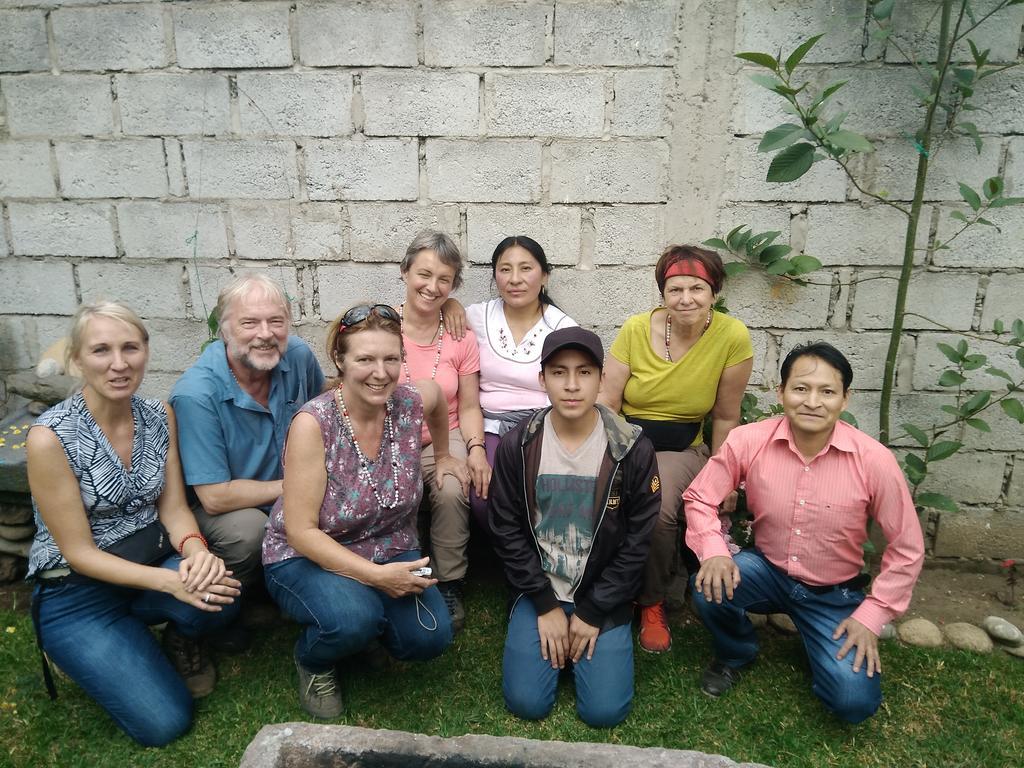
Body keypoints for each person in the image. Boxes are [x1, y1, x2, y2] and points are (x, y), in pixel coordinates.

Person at [26, 302, 241, 747]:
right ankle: (86, 645)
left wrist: (198, 553)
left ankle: (155, 635)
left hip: (146, 560)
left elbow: (175, 509)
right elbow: (79, 553)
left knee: (223, 594)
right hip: (76, 590)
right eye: (101, 350)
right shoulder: (50, 438)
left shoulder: (159, 415)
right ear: (77, 360)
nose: (119, 364)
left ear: (146, 350)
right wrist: (172, 585)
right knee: (165, 722)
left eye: (130, 348)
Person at [685, 342, 925, 723]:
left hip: (834, 593)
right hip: (768, 570)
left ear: (845, 399)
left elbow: (907, 547)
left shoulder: (873, 460)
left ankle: (821, 642)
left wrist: (873, 614)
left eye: (827, 391)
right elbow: (700, 497)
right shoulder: (749, 440)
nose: (813, 401)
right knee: (707, 583)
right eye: (801, 388)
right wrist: (714, 550)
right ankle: (737, 651)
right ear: (781, 393)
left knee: (852, 703)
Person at [262, 304, 468, 719]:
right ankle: (315, 659)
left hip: (391, 545)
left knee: (432, 636)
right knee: (353, 616)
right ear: (339, 360)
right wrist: (376, 578)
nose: (381, 372)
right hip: (307, 555)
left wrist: (444, 454)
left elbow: (438, 400)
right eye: (365, 359)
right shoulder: (313, 423)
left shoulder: (408, 401)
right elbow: (301, 532)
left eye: (391, 358)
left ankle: (364, 629)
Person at [488, 327, 660, 727]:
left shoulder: (631, 449)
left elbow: (638, 541)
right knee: (527, 704)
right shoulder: (520, 444)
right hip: (539, 590)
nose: (571, 385)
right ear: (541, 379)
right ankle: (542, 633)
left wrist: (595, 609)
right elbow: (507, 529)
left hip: (602, 593)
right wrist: (545, 606)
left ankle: (588, 641)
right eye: (559, 372)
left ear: (601, 379)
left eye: (584, 372)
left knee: (604, 713)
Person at [599, 244, 753, 653]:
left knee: (660, 503)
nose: (685, 299)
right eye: (675, 289)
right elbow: (608, 400)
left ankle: (651, 602)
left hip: (682, 448)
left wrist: (726, 477)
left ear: (714, 293)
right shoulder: (635, 329)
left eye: (697, 289)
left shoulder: (731, 336)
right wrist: (609, 454)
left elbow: (724, 416)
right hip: (628, 440)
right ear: (663, 294)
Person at [169, 273, 324, 649]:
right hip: (229, 509)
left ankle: (283, 594)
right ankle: (204, 620)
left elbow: (324, 416)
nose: (265, 334)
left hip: (285, 492)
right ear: (224, 329)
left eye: (276, 321)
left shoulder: (298, 356)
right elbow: (214, 497)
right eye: (249, 322)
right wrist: (302, 486)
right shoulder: (196, 394)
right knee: (249, 532)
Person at [397, 231, 489, 634]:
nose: (432, 287)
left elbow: (469, 405)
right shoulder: (380, 325)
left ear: (454, 286)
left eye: (445, 280)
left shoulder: (460, 337)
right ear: (404, 271)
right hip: (387, 438)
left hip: (443, 433)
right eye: (424, 274)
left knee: (452, 487)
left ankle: (449, 581)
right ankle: (398, 569)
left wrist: (475, 449)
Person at [466, 236, 577, 533]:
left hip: (543, 428)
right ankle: (503, 556)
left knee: (543, 494)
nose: (515, 279)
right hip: (491, 427)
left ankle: (541, 558)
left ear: (544, 276)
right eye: (505, 270)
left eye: (526, 268)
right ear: (494, 276)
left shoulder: (562, 328)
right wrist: (450, 305)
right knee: (482, 495)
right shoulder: (476, 317)